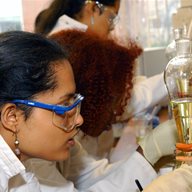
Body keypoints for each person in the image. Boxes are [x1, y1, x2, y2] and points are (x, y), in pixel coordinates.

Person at [0, 30, 169, 192]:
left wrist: (151, 155)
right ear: (12, 117)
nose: (79, 119)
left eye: (74, 103)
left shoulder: (21, 166)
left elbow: (93, 175)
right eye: (64, 105)